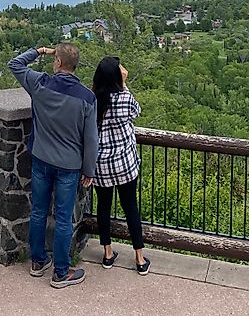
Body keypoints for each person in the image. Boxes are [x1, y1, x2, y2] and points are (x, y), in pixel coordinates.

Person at [8, 44, 98, 288]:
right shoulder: (87, 98)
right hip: (69, 165)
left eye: (54, 58)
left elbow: (14, 64)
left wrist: (38, 51)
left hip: (41, 159)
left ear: (57, 62)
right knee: (63, 218)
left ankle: (38, 262)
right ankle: (60, 272)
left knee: (38, 211)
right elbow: (91, 139)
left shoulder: (40, 84)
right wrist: (89, 170)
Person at [92, 56, 150, 275]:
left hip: (101, 164)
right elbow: (136, 111)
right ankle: (139, 258)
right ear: (117, 76)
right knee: (130, 208)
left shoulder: (92, 100)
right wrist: (123, 85)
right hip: (124, 164)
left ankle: (107, 254)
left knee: (103, 207)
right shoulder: (123, 97)